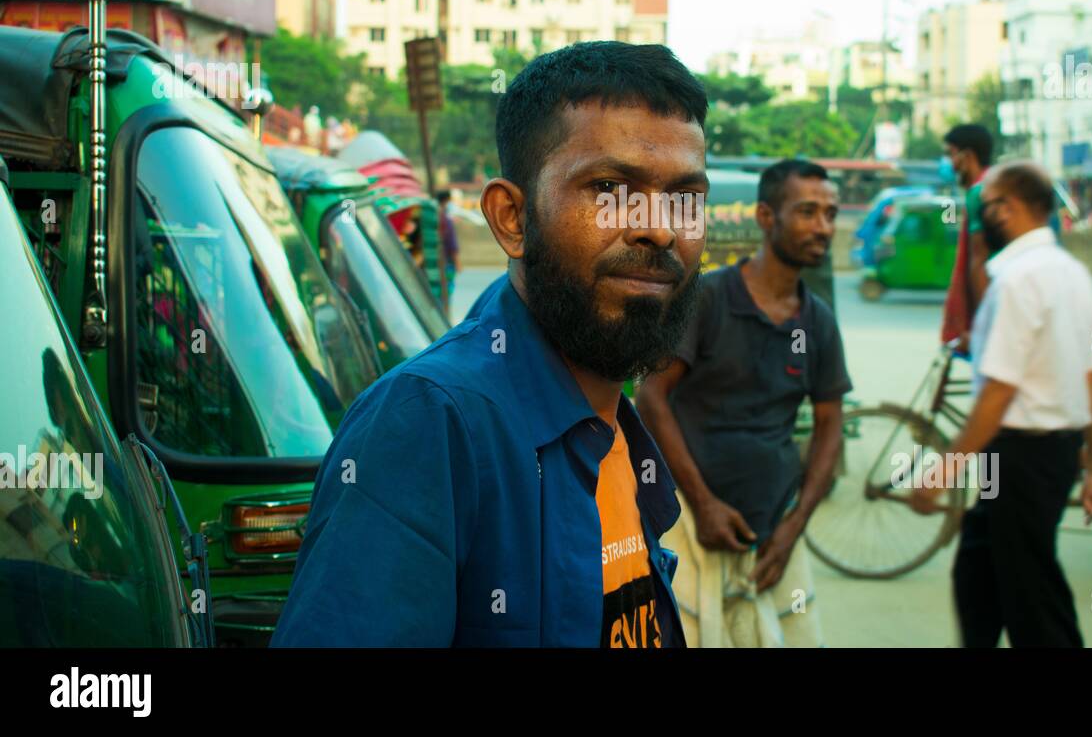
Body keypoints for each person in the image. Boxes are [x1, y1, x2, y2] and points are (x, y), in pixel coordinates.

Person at [272, 41, 710, 647]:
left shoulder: (609, 417)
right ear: (510, 218)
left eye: (685, 197)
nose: (659, 227)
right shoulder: (431, 423)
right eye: (610, 188)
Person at [636, 159, 852, 647]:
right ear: (765, 216)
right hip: (691, 524)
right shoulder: (709, 298)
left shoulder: (816, 321)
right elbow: (651, 396)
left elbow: (829, 425)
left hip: (774, 530)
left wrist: (795, 525)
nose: (823, 227)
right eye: (808, 212)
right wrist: (704, 503)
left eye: (830, 214)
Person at [911, 161, 1092, 647]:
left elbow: (999, 392)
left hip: (1022, 457)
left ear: (1009, 208)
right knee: (978, 577)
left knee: (1034, 601)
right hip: (1048, 455)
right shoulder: (1072, 274)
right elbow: (1090, 378)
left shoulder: (1017, 280)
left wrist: (943, 472)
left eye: (988, 209)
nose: (983, 222)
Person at [940, 124, 995, 348]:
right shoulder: (994, 186)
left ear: (968, 156)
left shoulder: (978, 193)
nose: (950, 164)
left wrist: (982, 328)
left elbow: (979, 260)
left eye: (951, 155)